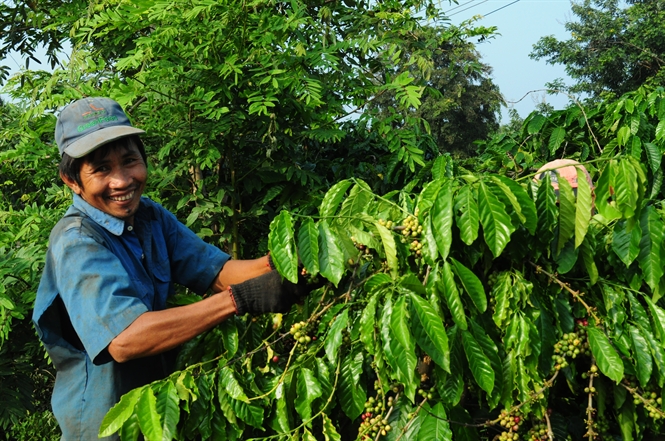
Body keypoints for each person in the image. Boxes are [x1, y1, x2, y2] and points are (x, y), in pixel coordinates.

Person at [32, 97, 310, 440]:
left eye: (130, 161)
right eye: (101, 169)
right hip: (105, 424)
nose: (121, 181)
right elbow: (124, 339)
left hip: (158, 406)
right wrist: (238, 300)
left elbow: (219, 272)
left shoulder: (148, 217)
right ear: (71, 180)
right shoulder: (77, 242)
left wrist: (293, 262)